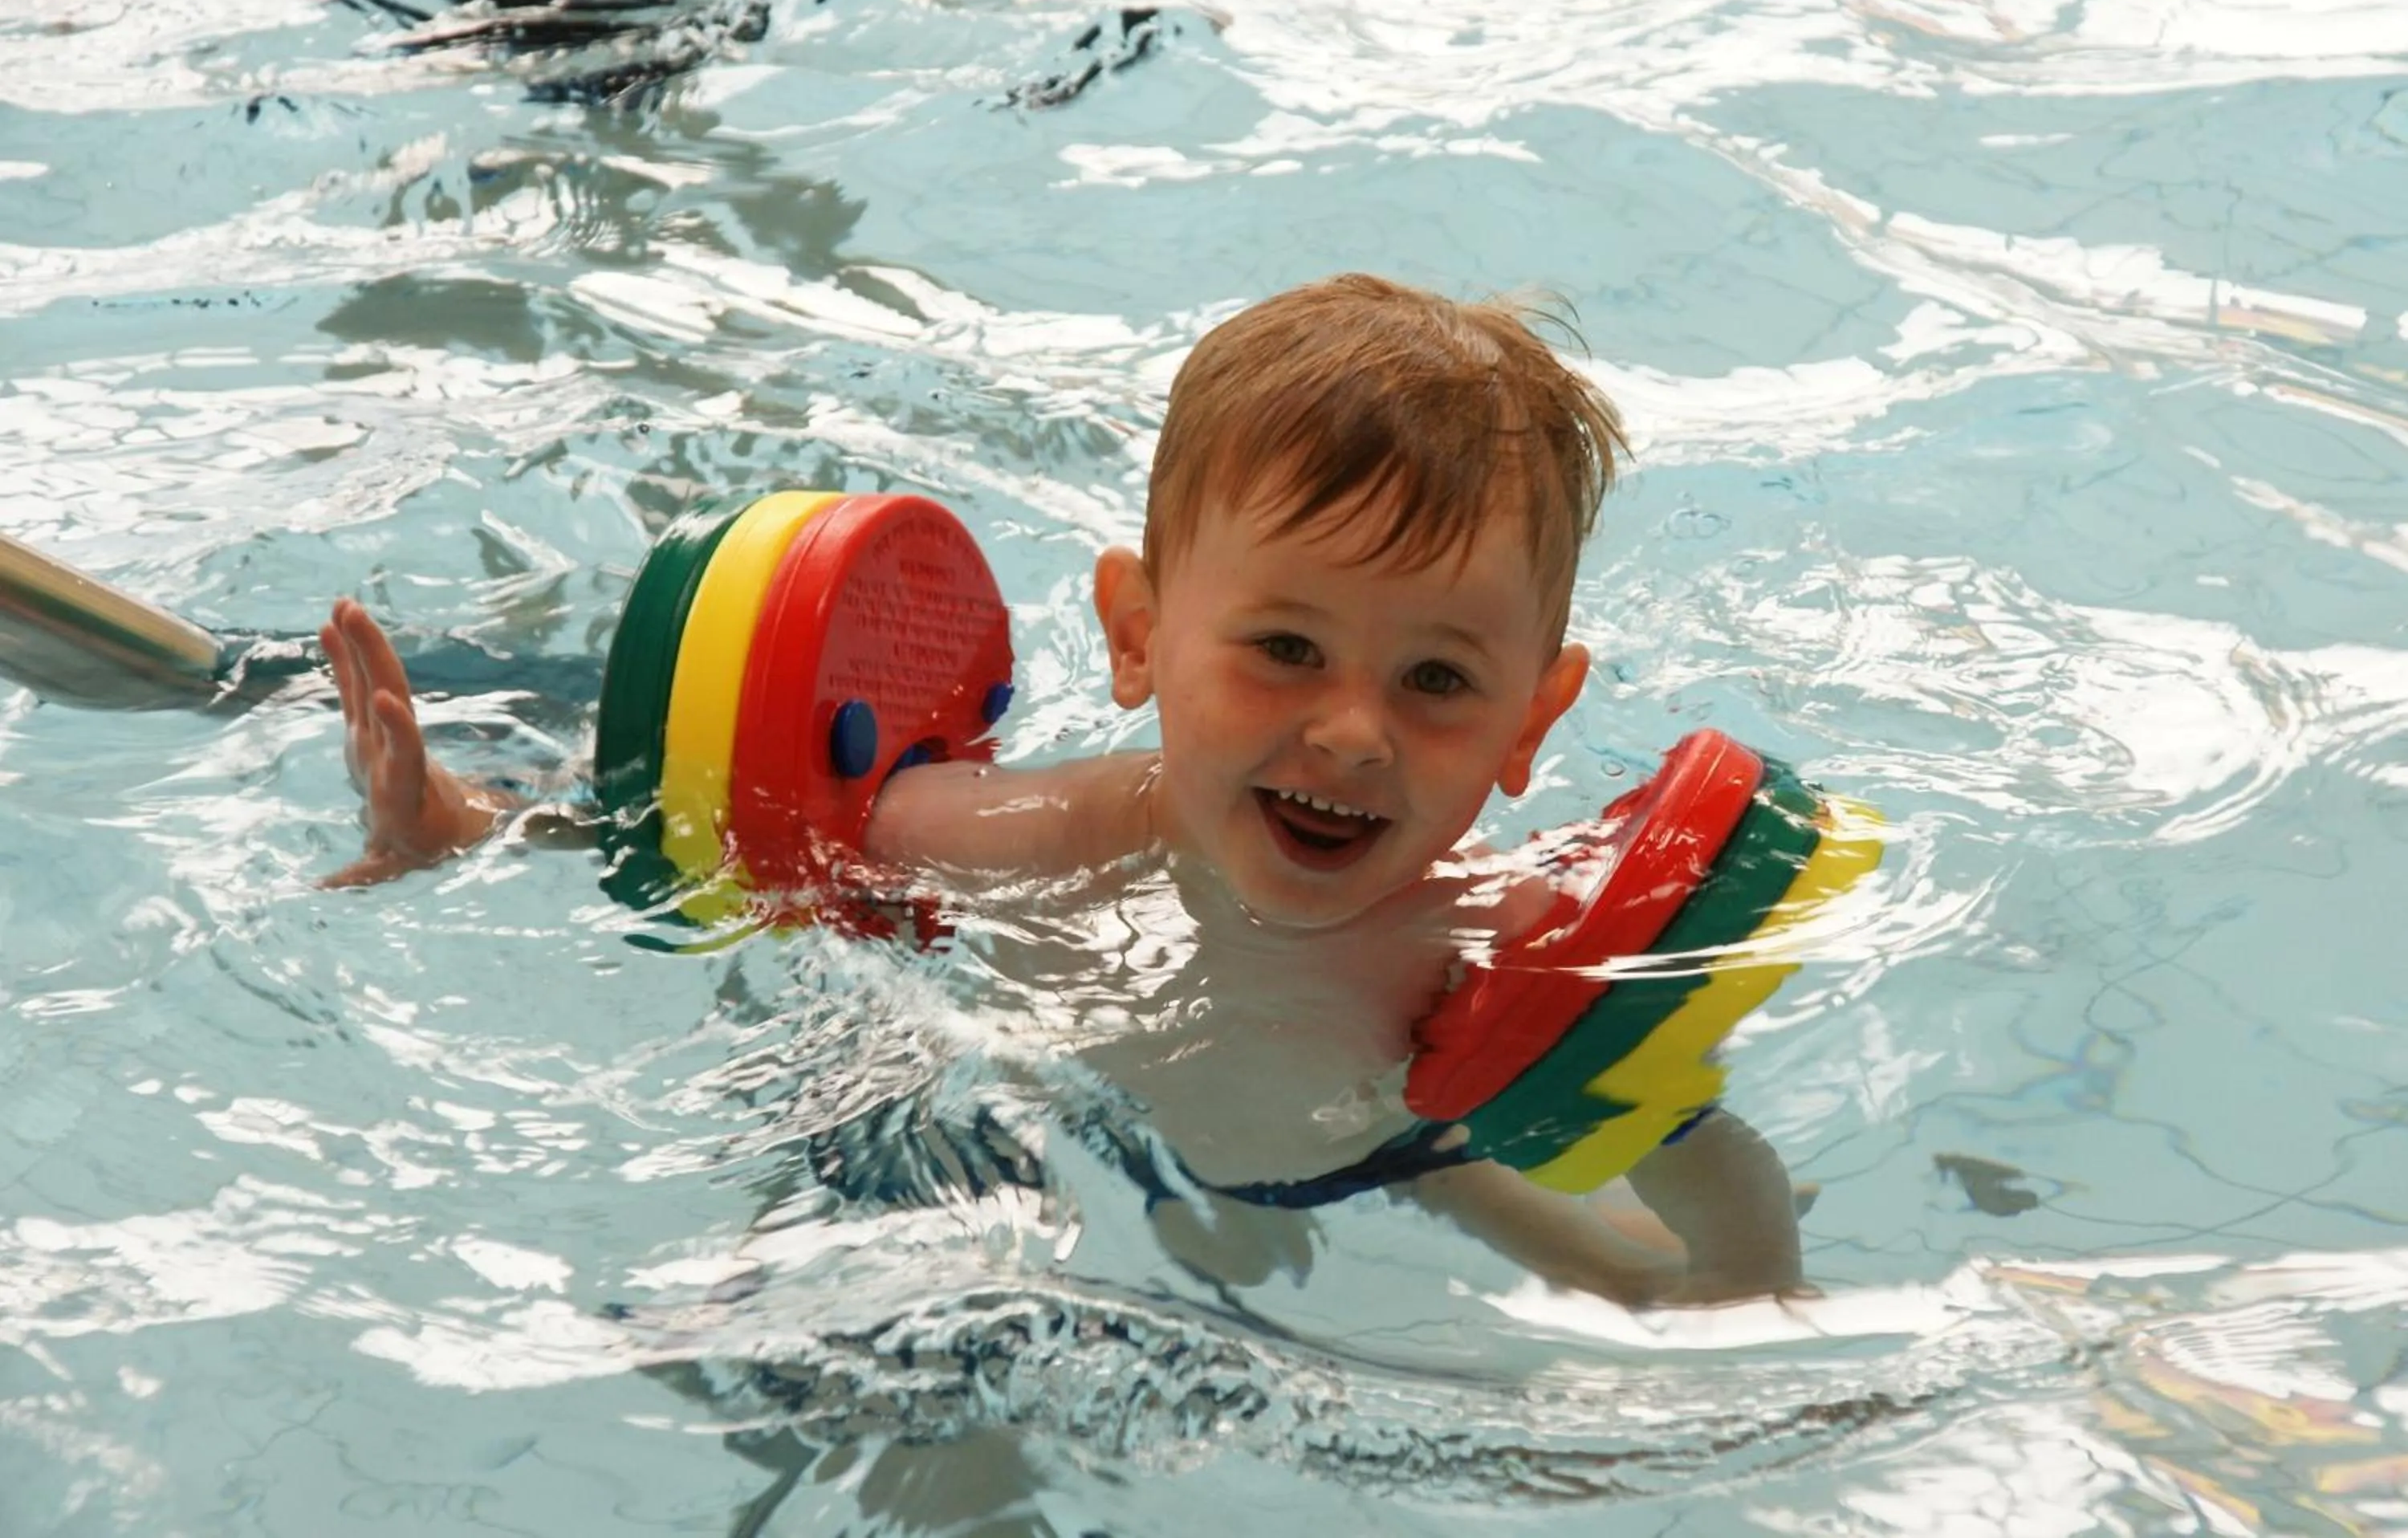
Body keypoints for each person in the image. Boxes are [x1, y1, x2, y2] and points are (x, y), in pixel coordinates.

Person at [318, 273, 1810, 1307]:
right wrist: (463, 826)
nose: (1354, 733)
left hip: (1385, 1142)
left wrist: (1754, 1282)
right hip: (1063, 1085)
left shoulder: (1495, 940)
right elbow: (768, 845)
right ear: (1139, 636)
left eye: (1437, 682)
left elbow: (1689, 1134)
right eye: (1286, 647)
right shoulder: (1037, 842)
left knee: (1583, 1240)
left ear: (1533, 721)